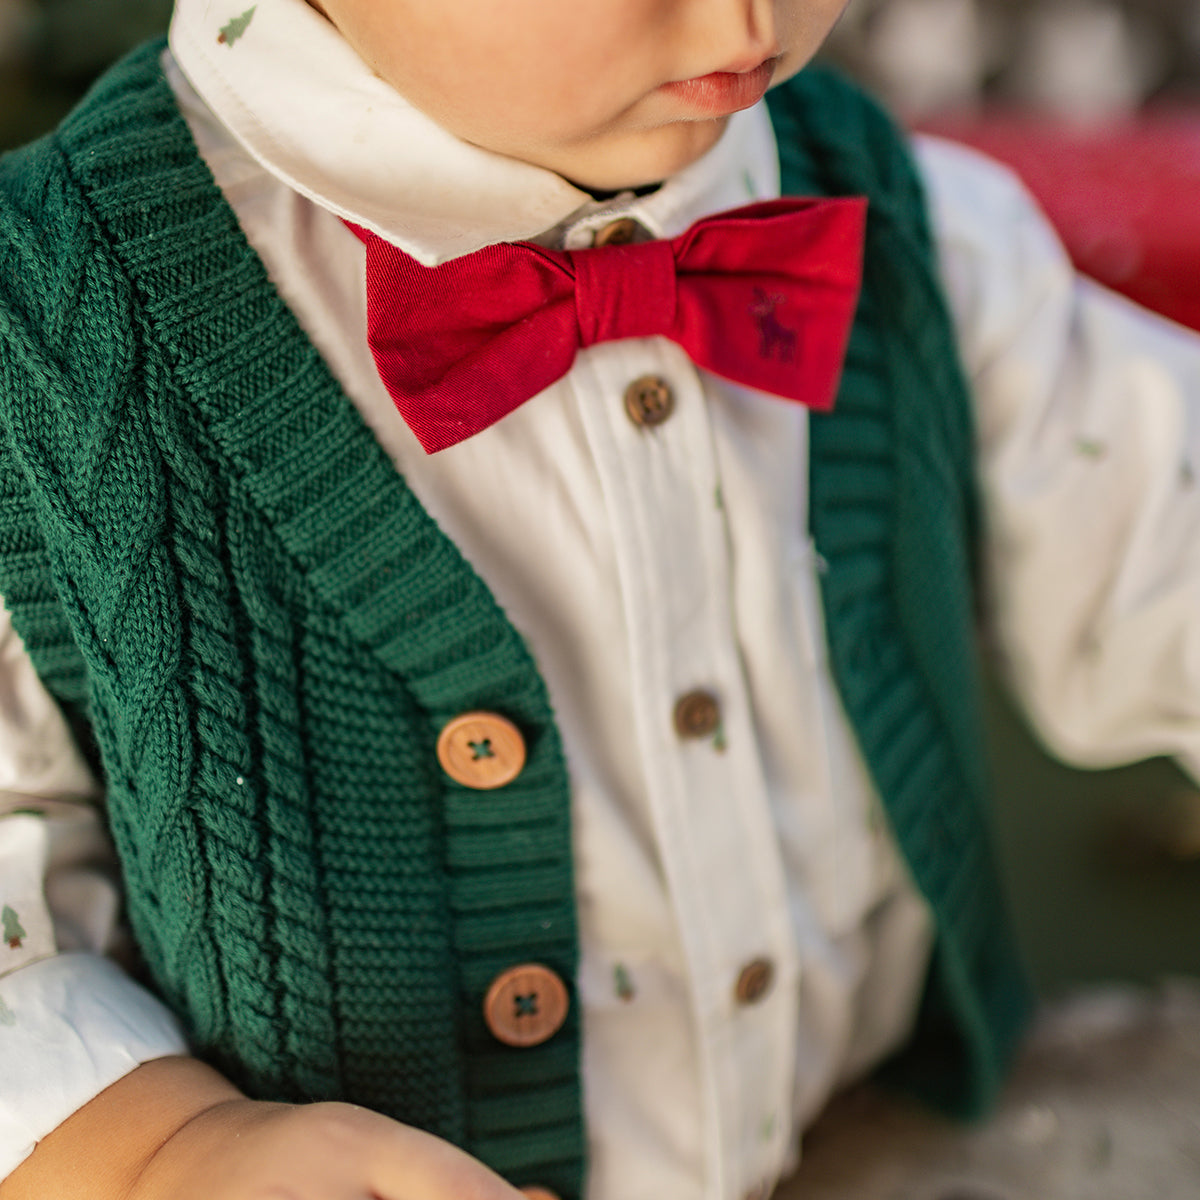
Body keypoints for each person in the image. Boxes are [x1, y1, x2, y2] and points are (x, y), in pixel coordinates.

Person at [2, 0, 1200, 1197]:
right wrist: (157, 1150)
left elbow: (1169, 539)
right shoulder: (43, 354)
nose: (749, 13)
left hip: (854, 1149)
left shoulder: (904, 223)